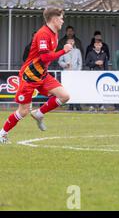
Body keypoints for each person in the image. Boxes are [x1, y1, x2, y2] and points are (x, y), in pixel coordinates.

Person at [0, 8, 73, 143]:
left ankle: (39, 113)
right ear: (54, 19)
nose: (63, 21)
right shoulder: (43, 34)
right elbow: (45, 57)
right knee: (23, 111)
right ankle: (2, 133)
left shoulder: (54, 33)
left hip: (42, 75)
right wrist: (64, 51)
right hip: (30, 75)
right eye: (61, 18)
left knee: (64, 96)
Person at [58, 37, 83, 111]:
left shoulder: (77, 51)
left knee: (77, 89)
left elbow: (80, 62)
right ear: (67, 43)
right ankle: (70, 105)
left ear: (74, 42)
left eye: (72, 41)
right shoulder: (63, 51)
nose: (71, 42)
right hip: (67, 73)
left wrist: (78, 71)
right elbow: (60, 61)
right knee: (68, 90)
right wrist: (65, 65)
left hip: (76, 74)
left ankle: (78, 105)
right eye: (69, 41)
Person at [86, 39, 108, 112]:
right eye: (96, 44)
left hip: (101, 74)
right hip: (93, 73)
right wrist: (95, 63)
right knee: (92, 89)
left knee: (101, 89)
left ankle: (101, 105)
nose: (98, 46)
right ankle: (92, 105)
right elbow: (87, 63)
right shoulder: (90, 53)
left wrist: (106, 74)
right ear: (94, 45)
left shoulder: (104, 54)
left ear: (101, 45)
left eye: (99, 45)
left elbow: (106, 65)